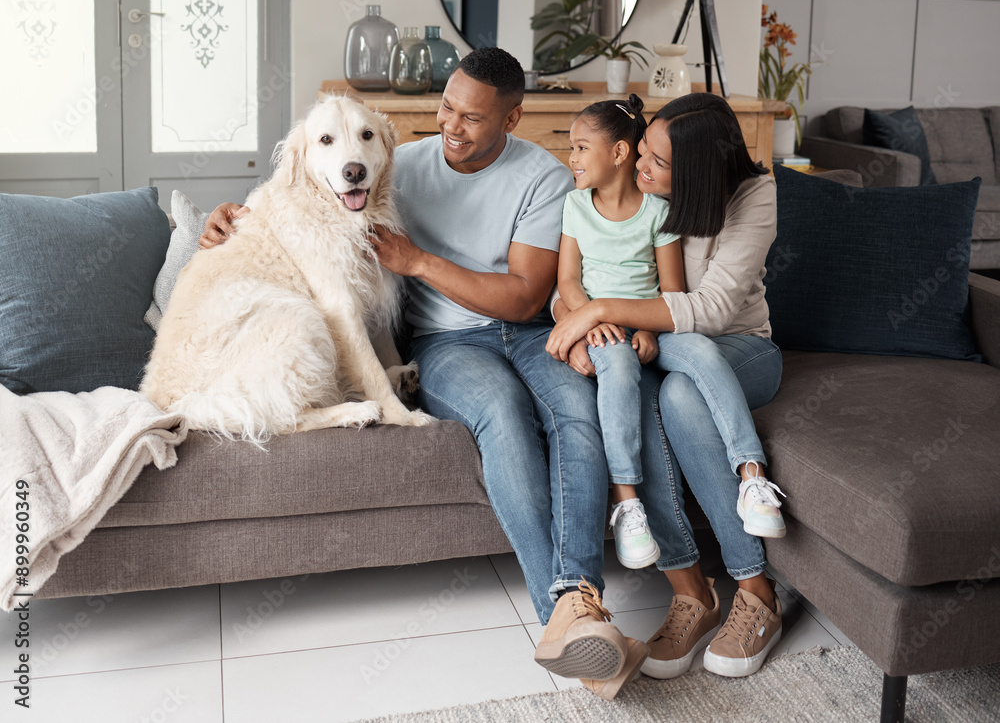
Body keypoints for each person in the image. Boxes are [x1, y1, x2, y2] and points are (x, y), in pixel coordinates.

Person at [200, 47, 647, 700]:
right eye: (446, 108)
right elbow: (304, 190)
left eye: (471, 118)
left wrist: (418, 261)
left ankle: (576, 601)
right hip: (444, 343)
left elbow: (525, 297)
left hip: (526, 331)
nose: (451, 127)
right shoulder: (398, 164)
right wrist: (230, 219)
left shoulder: (543, 178)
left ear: (513, 119)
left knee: (577, 414)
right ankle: (573, 614)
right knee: (504, 417)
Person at [546, 92, 788, 680]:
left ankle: (757, 593)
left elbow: (709, 307)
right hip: (658, 346)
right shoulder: (634, 200)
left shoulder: (755, 196)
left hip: (741, 347)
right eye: (644, 151)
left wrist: (598, 308)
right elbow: (571, 285)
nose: (641, 168)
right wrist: (580, 323)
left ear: (697, 173)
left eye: (656, 161)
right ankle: (692, 593)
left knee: (679, 394)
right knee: (649, 398)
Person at [556, 93, 684, 571]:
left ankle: (629, 505)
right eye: (571, 147)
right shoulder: (575, 204)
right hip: (593, 322)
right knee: (615, 356)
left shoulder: (657, 212)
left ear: (619, 153)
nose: (572, 158)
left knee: (624, 355)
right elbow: (567, 280)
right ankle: (627, 499)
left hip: (637, 323)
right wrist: (590, 317)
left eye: (582, 147)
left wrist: (647, 330)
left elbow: (672, 293)